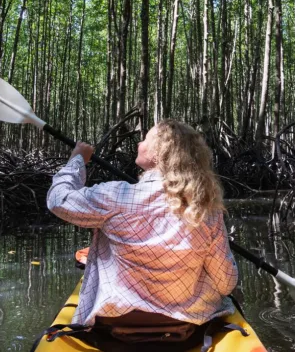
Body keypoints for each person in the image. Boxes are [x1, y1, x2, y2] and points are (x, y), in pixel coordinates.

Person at [46, 119, 238, 348]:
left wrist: (77, 160)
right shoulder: (207, 210)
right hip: (187, 326)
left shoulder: (116, 197)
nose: (139, 143)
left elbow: (58, 200)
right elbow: (226, 283)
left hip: (115, 325)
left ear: (159, 151)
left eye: (145, 138)